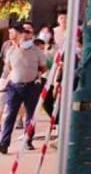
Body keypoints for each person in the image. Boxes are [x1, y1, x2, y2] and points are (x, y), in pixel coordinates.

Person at [0, 24, 47, 153]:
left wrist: (36, 75)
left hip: (31, 87)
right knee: (10, 115)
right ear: (20, 36)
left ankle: (28, 140)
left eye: (28, 35)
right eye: (23, 35)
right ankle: (4, 143)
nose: (25, 38)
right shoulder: (11, 51)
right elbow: (8, 68)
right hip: (14, 87)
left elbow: (43, 67)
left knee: (31, 116)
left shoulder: (37, 51)